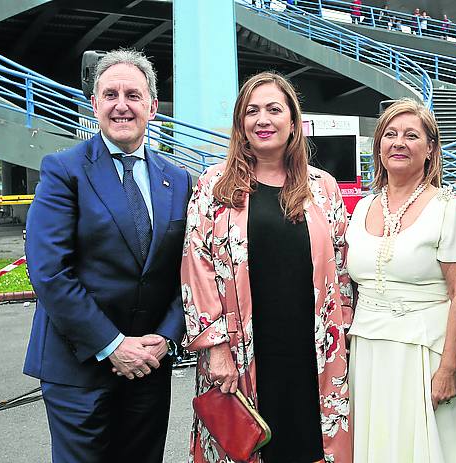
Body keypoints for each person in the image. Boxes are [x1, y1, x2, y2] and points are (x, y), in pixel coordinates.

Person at [23, 49, 191, 462]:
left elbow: (188, 270)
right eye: (110, 94)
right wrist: (112, 344)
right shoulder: (63, 170)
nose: (121, 105)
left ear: (153, 106)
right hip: (78, 368)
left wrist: (167, 338)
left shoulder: (178, 180)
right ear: (94, 104)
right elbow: (49, 271)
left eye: (133, 95)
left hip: (149, 365)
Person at [181, 72, 352, 463]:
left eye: (274, 109)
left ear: (293, 121)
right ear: (240, 123)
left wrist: (343, 337)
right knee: (248, 447)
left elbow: (341, 270)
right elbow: (196, 268)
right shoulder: (214, 185)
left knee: (310, 447)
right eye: (252, 111)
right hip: (240, 352)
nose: (263, 120)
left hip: (311, 352)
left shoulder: (323, 188)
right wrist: (215, 349)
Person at [347, 99, 456, 462]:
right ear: (378, 146)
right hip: (367, 352)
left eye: (411, 135)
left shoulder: (448, 209)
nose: (399, 142)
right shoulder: (362, 208)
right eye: (390, 134)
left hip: (423, 354)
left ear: (430, 149)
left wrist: (448, 368)